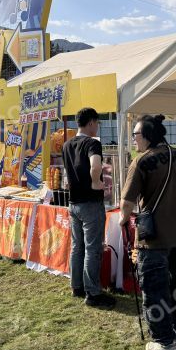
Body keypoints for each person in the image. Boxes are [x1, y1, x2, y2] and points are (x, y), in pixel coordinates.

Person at [119, 115, 176, 350]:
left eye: (136, 135)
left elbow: (126, 204)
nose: (134, 140)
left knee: (155, 289)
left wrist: (123, 220)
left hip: (153, 239)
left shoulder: (142, 161)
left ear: (148, 135)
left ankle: (164, 343)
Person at [62, 107, 115, 308]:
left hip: (73, 203)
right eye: (97, 123)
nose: (98, 127)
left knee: (77, 247)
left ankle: (77, 285)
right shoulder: (92, 143)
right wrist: (95, 182)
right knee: (93, 249)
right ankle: (92, 292)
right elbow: (96, 165)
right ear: (92, 122)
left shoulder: (67, 145)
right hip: (91, 203)